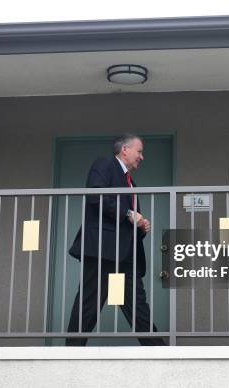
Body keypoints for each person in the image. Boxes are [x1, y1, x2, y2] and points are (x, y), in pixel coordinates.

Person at [66, 134, 164, 346]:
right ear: (124, 150)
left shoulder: (131, 183)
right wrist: (130, 214)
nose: (142, 157)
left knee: (137, 305)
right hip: (102, 251)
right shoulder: (104, 165)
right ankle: (71, 350)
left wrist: (141, 227)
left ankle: (157, 349)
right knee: (89, 304)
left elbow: (126, 220)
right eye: (139, 151)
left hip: (126, 256)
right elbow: (96, 196)